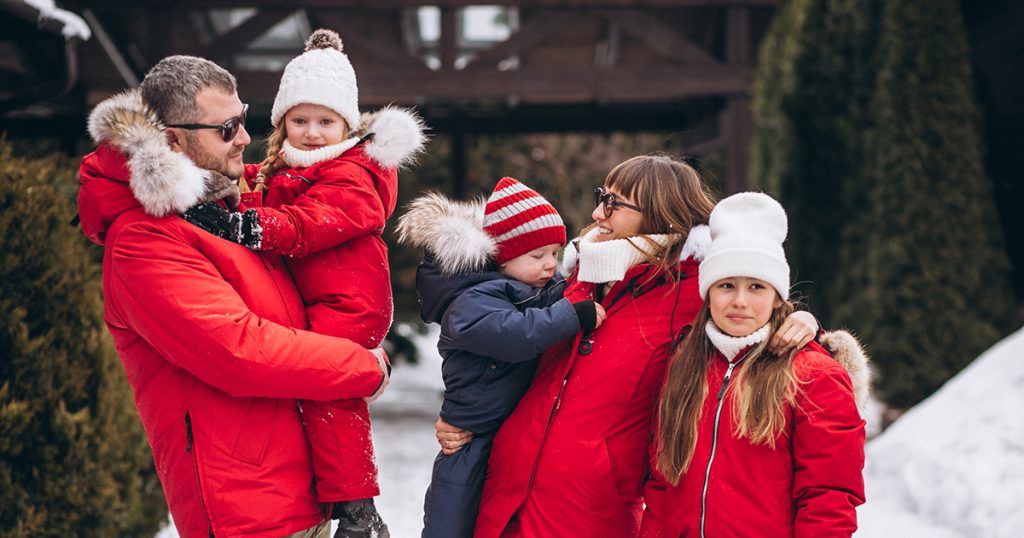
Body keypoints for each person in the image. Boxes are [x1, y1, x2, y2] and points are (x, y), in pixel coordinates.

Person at [78, 55, 390, 538]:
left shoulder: (231, 207)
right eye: (227, 128)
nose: (245, 138)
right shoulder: (143, 240)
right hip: (247, 514)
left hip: (301, 497)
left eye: (243, 119)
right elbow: (243, 351)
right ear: (172, 140)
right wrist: (363, 366)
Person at [444, 155, 819, 537]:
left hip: (587, 514)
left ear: (659, 214)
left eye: (614, 204)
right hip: (504, 501)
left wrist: (801, 325)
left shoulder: (695, 295)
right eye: (601, 196)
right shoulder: (577, 275)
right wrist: (465, 414)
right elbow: (498, 337)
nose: (597, 212)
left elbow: (754, 326)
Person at [183, 29, 425, 538]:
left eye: (326, 121)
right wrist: (213, 183)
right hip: (322, 295)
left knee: (328, 394)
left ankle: (359, 510)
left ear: (347, 125)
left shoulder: (353, 175)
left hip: (351, 301)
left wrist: (247, 227)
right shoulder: (292, 167)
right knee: (312, 390)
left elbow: (306, 224)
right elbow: (260, 187)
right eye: (300, 120)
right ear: (282, 123)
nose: (313, 132)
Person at [640, 192, 867, 536]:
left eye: (757, 286)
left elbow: (828, 497)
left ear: (777, 297)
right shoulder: (684, 365)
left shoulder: (813, 375)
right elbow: (661, 485)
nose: (740, 301)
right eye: (726, 285)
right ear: (708, 293)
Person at [396, 177, 607, 538]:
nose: (549, 265)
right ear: (502, 258)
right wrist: (574, 315)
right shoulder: (470, 301)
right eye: (537, 256)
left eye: (554, 254)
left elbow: (547, 299)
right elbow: (515, 335)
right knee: (454, 518)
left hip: (500, 426)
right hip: (470, 432)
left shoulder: (523, 286)